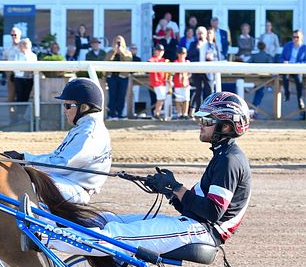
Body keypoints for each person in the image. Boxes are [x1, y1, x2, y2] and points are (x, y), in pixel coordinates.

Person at [42, 91, 251, 257]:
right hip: (193, 224)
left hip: (203, 232)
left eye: (207, 120)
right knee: (108, 220)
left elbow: (213, 212)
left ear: (225, 126)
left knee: (115, 235)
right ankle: (52, 225)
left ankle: (45, 238)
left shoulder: (229, 160)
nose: (200, 124)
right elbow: (193, 206)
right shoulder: (222, 155)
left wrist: (177, 188)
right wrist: (169, 190)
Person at [2, 78, 111, 204]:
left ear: (84, 107)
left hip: (75, 189)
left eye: (68, 106)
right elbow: (56, 159)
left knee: (23, 184)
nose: (64, 110)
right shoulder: (83, 127)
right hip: (66, 182)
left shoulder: (89, 133)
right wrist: (23, 159)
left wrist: (23, 158)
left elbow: (60, 164)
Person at [104, 35, 133, 119]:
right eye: (116, 42)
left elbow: (128, 61)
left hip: (123, 77)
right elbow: (105, 62)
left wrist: (122, 52)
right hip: (112, 77)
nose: (118, 43)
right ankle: (112, 114)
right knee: (112, 95)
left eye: (119, 42)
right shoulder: (110, 52)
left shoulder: (127, 52)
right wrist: (114, 51)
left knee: (121, 95)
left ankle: (120, 113)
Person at [280, 29, 306, 111]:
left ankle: (300, 99)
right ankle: (287, 94)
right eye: (294, 37)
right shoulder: (288, 45)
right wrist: (284, 62)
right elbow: (282, 57)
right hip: (288, 67)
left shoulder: (304, 48)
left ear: (301, 38)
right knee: (285, 76)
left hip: (298, 68)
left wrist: (299, 64)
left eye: (297, 37)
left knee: (299, 80)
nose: (295, 39)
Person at [12, 38, 38, 122]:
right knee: (19, 96)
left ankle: (22, 115)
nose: (21, 47)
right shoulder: (17, 55)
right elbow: (15, 68)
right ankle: (18, 116)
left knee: (26, 96)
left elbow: (34, 68)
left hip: (29, 78)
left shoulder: (33, 55)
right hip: (19, 78)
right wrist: (23, 69)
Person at [188, 26, 212, 113]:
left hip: (208, 71)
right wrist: (197, 49)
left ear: (205, 34)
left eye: (202, 33)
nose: (200, 35)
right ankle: (199, 110)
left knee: (209, 90)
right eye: (198, 33)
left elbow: (216, 56)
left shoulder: (210, 44)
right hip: (197, 71)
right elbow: (190, 56)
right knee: (198, 91)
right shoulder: (193, 44)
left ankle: (209, 110)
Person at [249, 41, 274, 110]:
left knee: (259, 92)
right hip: (264, 78)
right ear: (265, 47)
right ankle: (254, 108)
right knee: (259, 93)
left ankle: (254, 108)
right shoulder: (268, 56)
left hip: (255, 78)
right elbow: (271, 67)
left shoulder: (254, 56)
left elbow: (247, 64)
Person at [148, 44, 170, 120]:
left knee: (162, 98)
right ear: (155, 51)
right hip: (156, 82)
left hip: (163, 82)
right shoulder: (152, 59)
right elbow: (150, 62)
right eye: (159, 50)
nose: (160, 52)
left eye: (162, 50)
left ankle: (158, 113)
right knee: (160, 98)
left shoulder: (164, 60)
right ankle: (156, 114)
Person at [3, 26, 22, 109]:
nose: (14, 36)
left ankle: (21, 117)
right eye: (12, 35)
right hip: (11, 75)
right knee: (11, 96)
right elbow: (4, 61)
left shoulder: (24, 47)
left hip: (22, 75)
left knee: (21, 96)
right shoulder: (7, 49)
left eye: (15, 34)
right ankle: (12, 118)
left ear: (20, 35)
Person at [172, 47, 191, 119]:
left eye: (183, 53)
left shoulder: (187, 62)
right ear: (177, 54)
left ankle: (185, 113)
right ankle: (179, 114)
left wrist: (186, 77)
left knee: (186, 99)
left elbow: (190, 73)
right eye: (180, 53)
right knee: (178, 99)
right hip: (177, 83)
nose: (181, 55)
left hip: (186, 83)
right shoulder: (175, 62)